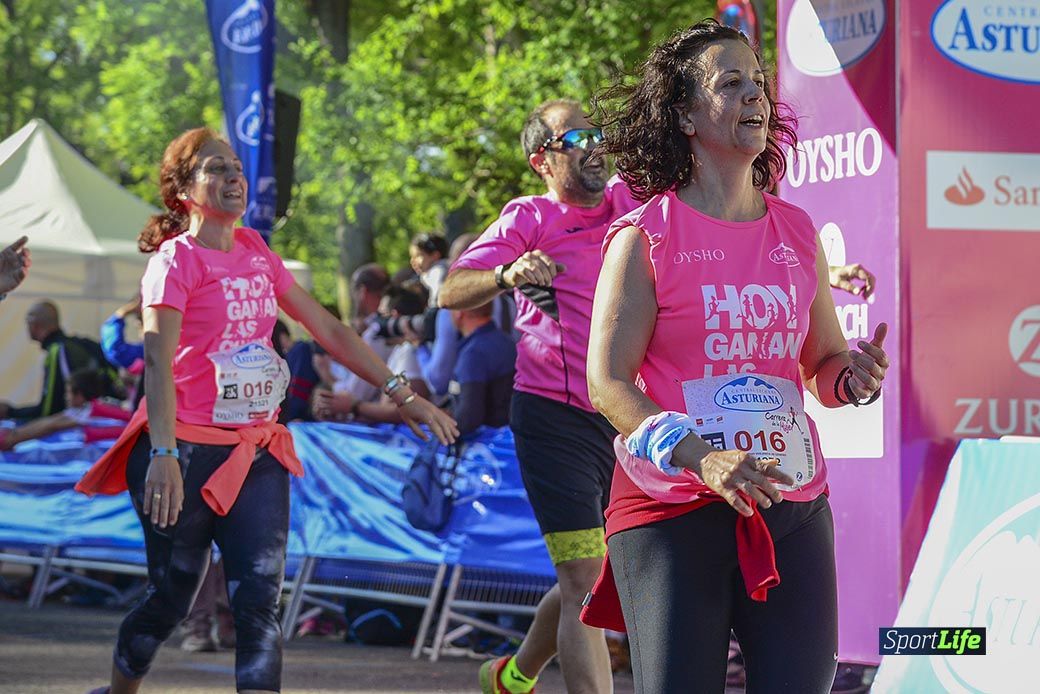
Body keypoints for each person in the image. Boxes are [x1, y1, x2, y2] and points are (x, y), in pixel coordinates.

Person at [76, 127, 457, 694]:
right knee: (172, 597)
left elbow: (327, 328)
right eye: (216, 168)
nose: (235, 177)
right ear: (183, 190)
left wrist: (403, 395)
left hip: (255, 451)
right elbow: (156, 361)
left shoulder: (256, 250)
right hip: (181, 449)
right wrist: (162, 453)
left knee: (259, 599)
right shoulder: (175, 262)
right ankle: (119, 690)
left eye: (236, 167)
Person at [580, 21, 890, 693]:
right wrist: (702, 456)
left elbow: (822, 364)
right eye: (730, 83)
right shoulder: (644, 237)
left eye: (758, 82)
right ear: (685, 115)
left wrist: (851, 377)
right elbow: (607, 383)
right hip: (672, 507)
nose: (755, 96)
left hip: (789, 498)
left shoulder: (796, 230)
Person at [439, 98, 641, 694]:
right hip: (555, 418)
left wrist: (819, 272)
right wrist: (505, 274)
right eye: (575, 138)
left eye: (597, 134)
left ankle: (514, 675)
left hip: (628, 415)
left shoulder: (633, 201)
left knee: (602, 574)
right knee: (583, 578)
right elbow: (451, 291)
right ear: (541, 161)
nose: (593, 146)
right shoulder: (529, 216)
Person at [0, 301, 115, 420]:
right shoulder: (82, 344)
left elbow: (49, 408)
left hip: (85, 421)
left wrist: (10, 412)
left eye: (27, 322)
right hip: (108, 415)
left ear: (34, 324)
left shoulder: (57, 351)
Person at [0, 369, 127, 450]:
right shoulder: (83, 409)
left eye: (68, 393)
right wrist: (16, 433)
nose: (65, 397)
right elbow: (53, 419)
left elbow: (54, 425)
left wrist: (15, 438)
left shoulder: (96, 409)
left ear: (79, 395)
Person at [448, 301, 516, 436]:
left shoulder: (473, 353)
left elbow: (468, 419)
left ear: (459, 313)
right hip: (510, 438)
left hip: (487, 442)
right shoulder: (507, 341)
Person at [409, 232, 450, 307]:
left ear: (435, 255)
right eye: (412, 257)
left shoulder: (439, 271)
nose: (412, 261)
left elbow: (436, 302)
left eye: (418, 255)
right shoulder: (426, 275)